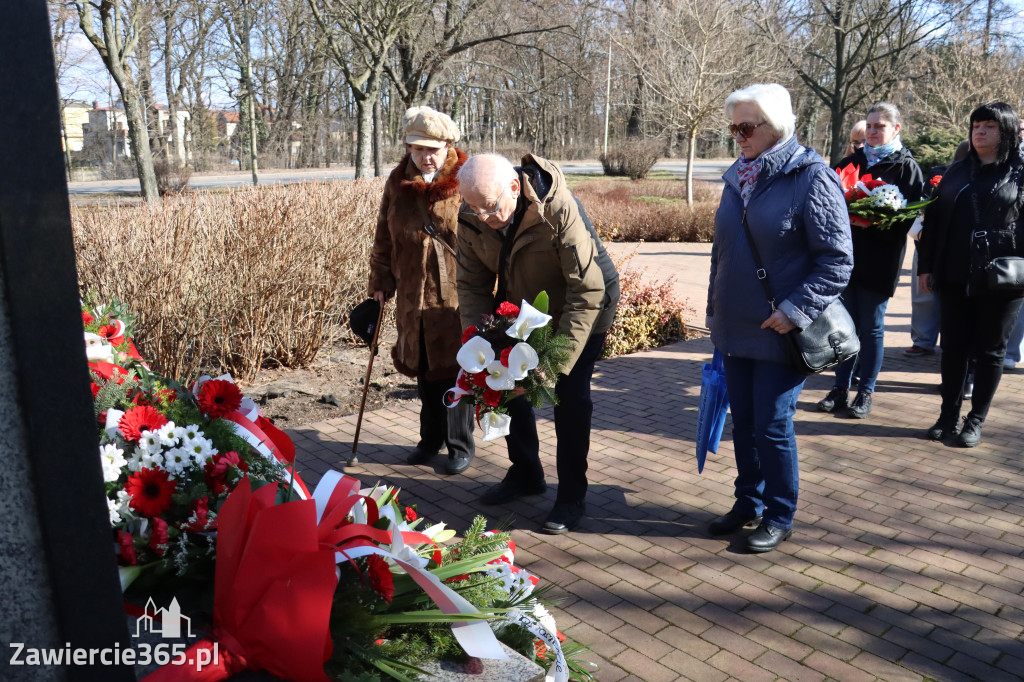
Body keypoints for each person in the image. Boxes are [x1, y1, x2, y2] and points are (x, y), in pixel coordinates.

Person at [706, 83, 852, 552]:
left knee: (772, 423)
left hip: (780, 330)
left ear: (777, 126)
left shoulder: (811, 177)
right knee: (743, 422)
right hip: (736, 327)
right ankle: (748, 500)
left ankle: (780, 513)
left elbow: (837, 260)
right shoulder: (737, 177)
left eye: (745, 127)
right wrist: (716, 311)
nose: (738, 136)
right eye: (733, 127)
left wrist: (795, 311)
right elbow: (722, 253)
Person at [455, 153, 619, 534]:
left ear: (515, 187)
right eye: (474, 208)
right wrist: (478, 341)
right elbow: (472, 285)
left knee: (569, 396)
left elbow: (587, 291)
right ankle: (527, 473)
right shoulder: (473, 211)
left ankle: (571, 495)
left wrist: (556, 362)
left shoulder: (556, 208)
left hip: (583, 305)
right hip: (522, 304)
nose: (482, 217)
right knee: (505, 386)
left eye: (490, 207)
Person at [368, 106, 475, 475]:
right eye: (417, 148)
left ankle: (459, 445)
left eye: (432, 148)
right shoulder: (397, 184)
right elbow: (384, 236)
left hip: (457, 297)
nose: (425, 155)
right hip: (413, 294)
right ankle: (430, 440)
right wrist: (381, 281)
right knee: (425, 368)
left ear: (448, 145)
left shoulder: (467, 179)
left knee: (458, 368)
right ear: (408, 147)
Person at [918, 101, 1024, 448]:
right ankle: (948, 415)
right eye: (976, 125)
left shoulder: (1020, 174)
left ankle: (975, 419)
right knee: (953, 348)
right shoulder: (956, 171)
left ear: (1006, 131)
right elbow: (932, 222)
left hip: (1002, 279)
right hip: (953, 274)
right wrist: (927, 267)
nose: (980, 131)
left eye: (989, 126)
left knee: (991, 352)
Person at [817, 103, 925, 418]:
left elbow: (910, 218)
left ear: (896, 129)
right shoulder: (851, 162)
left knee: (871, 327)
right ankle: (839, 388)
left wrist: (877, 220)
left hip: (881, 259)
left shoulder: (906, 167)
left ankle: (865, 392)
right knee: (842, 327)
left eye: (880, 126)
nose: (873, 131)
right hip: (846, 259)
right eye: (870, 125)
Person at [906, 141, 972, 358]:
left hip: (958, 249)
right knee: (923, 295)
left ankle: (951, 344)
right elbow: (920, 209)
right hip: (927, 244)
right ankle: (923, 340)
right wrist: (919, 233)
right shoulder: (938, 176)